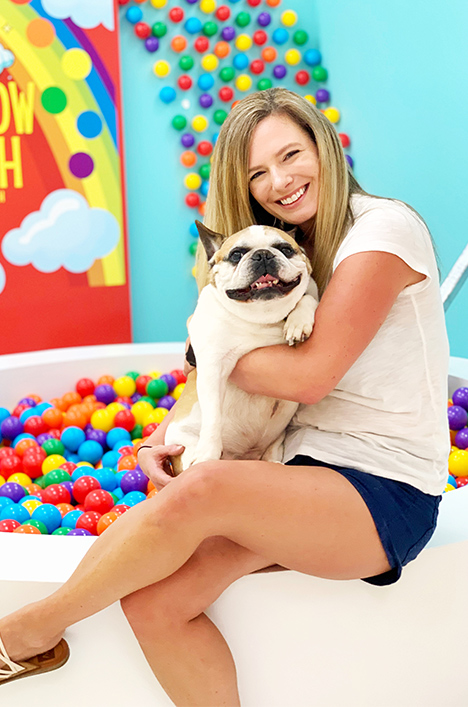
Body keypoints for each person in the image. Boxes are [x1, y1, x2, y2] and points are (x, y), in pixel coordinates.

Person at [0, 88, 449, 706]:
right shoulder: (292, 247)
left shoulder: (380, 230)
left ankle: (27, 632)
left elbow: (305, 377)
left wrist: (207, 351)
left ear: (326, 144)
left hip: (383, 490)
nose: (279, 181)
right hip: (294, 469)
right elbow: (232, 352)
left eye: (292, 154)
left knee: (203, 487)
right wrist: (168, 426)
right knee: (156, 603)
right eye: (258, 173)